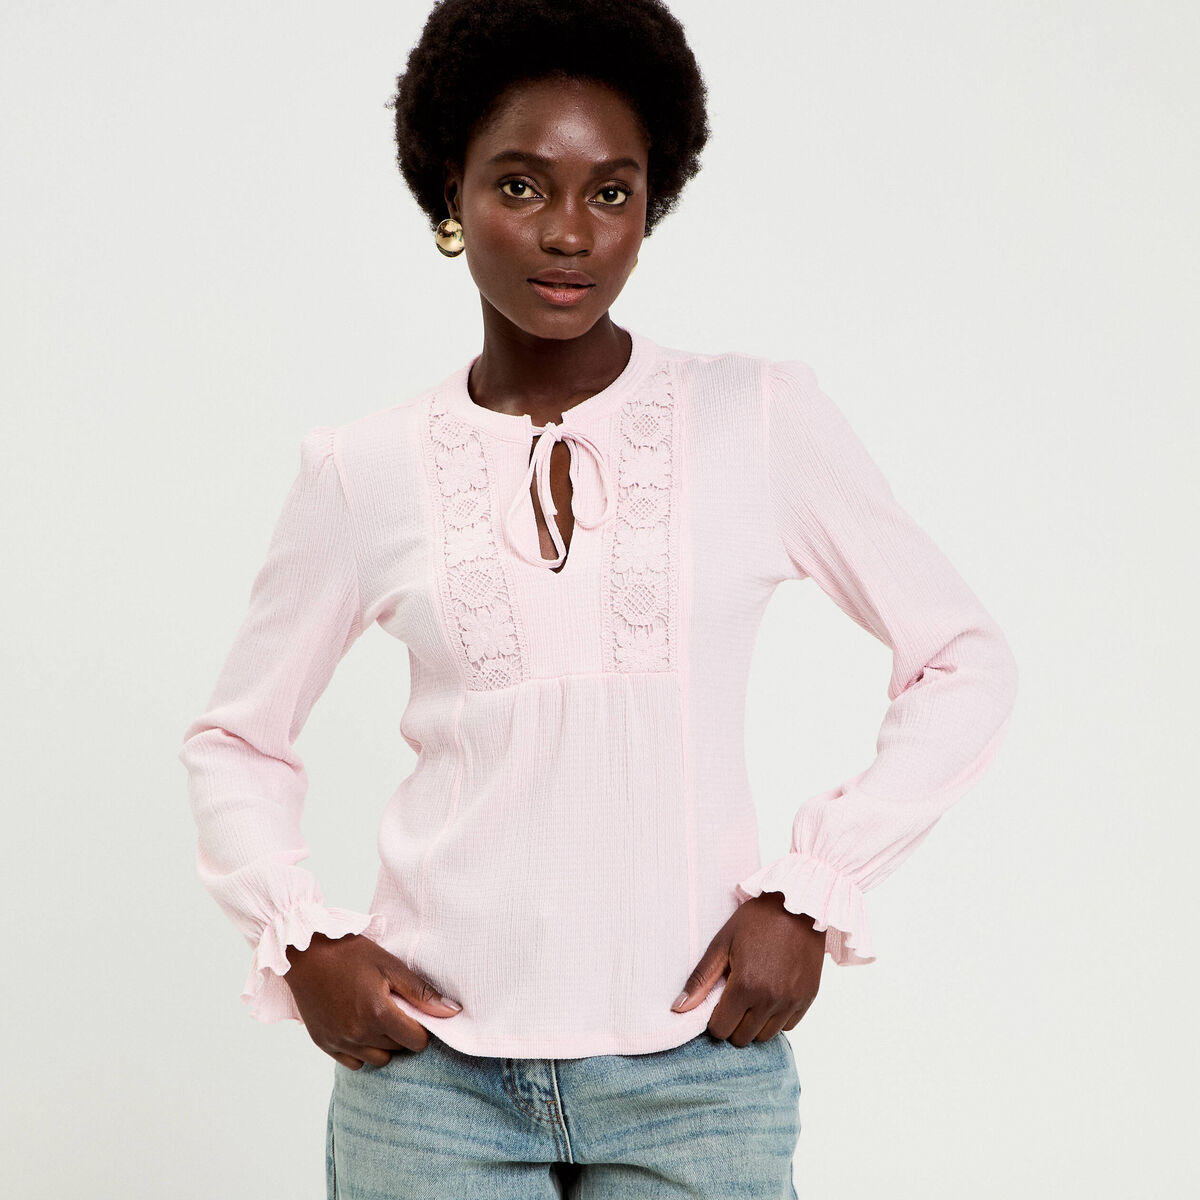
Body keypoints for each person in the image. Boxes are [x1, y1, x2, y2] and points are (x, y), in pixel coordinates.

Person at [178, 1, 1019, 1196]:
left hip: (698, 1073)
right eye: (521, 186)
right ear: (451, 193)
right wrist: (301, 939)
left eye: (611, 192)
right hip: (430, 1082)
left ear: (649, 203)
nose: (569, 232)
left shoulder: (756, 419)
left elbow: (964, 659)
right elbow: (236, 741)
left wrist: (812, 893)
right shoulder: (362, 471)